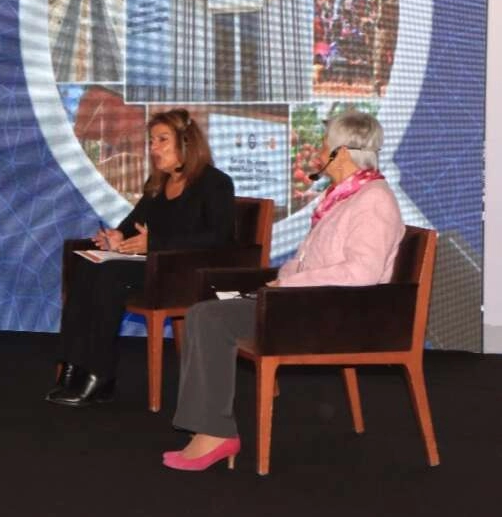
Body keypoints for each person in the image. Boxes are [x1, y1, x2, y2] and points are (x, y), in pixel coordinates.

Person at [166, 111, 403, 471]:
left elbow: (362, 273)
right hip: (305, 303)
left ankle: (214, 432)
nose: (319, 152)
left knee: (209, 318)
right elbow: (306, 261)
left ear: (341, 153)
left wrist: (288, 284)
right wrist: (278, 281)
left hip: (332, 315)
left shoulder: (374, 201)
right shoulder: (344, 197)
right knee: (206, 309)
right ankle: (208, 427)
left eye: (324, 145)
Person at [46, 108, 235, 407]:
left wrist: (154, 243)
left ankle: (100, 373)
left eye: (162, 140)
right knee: (87, 264)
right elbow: (132, 224)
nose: (153, 148)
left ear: (187, 142)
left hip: (187, 272)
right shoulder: (158, 184)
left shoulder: (215, 183)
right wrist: (116, 238)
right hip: (153, 266)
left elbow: (218, 238)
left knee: (110, 274)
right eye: (151, 141)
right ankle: (74, 365)